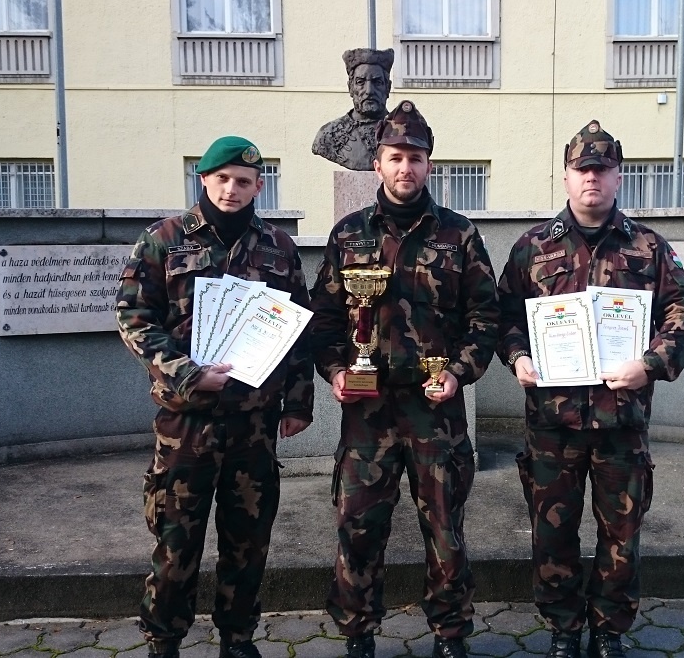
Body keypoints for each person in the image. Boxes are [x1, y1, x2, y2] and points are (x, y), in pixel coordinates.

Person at [495, 121, 684, 658]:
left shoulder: (648, 246)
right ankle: (564, 628)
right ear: (566, 176)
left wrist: (651, 365)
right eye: (582, 168)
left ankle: (609, 630)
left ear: (618, 177)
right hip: (552, 424)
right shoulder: (533, 246)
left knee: (622, 533)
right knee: (552, 534)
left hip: (621, 421)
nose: (592, 177)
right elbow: (503, 316)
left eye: (602, 169)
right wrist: (517, 357)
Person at [310, 100, 499, 658]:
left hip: (435, 410)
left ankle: (450, 633)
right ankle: (358, 633)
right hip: (367, 414)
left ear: (429, 164)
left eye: (415, 158)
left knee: (444, 529)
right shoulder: (348, 234)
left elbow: (485, 318)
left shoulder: (459, 235)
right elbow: (324, 319)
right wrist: (336, 371)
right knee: (359, 526)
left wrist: (459, 373)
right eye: (395, 157)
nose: (405, 168)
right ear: (378, 164)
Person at [117, 136, 314, 658]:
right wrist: (187, 373)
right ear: (203, 179)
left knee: (248, 541)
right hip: (187, 423)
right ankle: (164, 641)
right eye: (222, 178)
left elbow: (297, 330)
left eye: (244, 181)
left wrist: (298, 403)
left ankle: (238, 638)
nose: (232, 189)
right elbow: (134, 319)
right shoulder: (163, 240)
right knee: (176, 541)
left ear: (258, 187)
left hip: (254, 424)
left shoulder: (278, 246)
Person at [312, 48, 395, 171]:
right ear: (350, 88)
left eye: (377, 82)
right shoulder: (328, 135)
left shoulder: (404, 130)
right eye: (360, 82)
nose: (369, 91)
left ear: (388, 88)